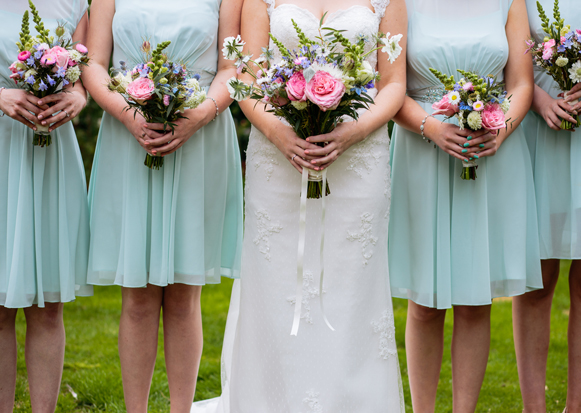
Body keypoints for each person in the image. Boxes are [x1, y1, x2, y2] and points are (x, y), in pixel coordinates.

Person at [193, 0, 407, 411]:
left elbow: (393, 82)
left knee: (350, 290)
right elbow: (248, 77)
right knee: (278, 284)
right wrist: (279, 134)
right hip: (278, 159)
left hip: (359, 159)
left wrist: (353, 130)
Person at [81, 0, 243, 411]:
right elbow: (94, 63)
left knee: (184, 293)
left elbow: (231, 67)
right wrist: (127, 113)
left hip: (199, 136)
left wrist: (201, 113)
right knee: (136, 295)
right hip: (129, 133)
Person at [388, 0, 541, 411]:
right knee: (424, 302)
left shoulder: (511, 3)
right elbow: (390, 87)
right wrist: (431, 127)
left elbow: (522, 84)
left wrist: (499, 128)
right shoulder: (400, 3)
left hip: (491, 152)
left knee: (475, 301)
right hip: (422, 153)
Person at [513, 2, 581, 412]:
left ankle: (577, 408)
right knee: (536, 279)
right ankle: (533, 408)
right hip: (542, 129)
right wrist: (537, 99)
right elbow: (504, 49)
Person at [0, 0, 92, 411]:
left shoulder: (75, 3)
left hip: (51, 149)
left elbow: (84, 74)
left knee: (48, 304)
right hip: (3, 146)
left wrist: (78, 99)